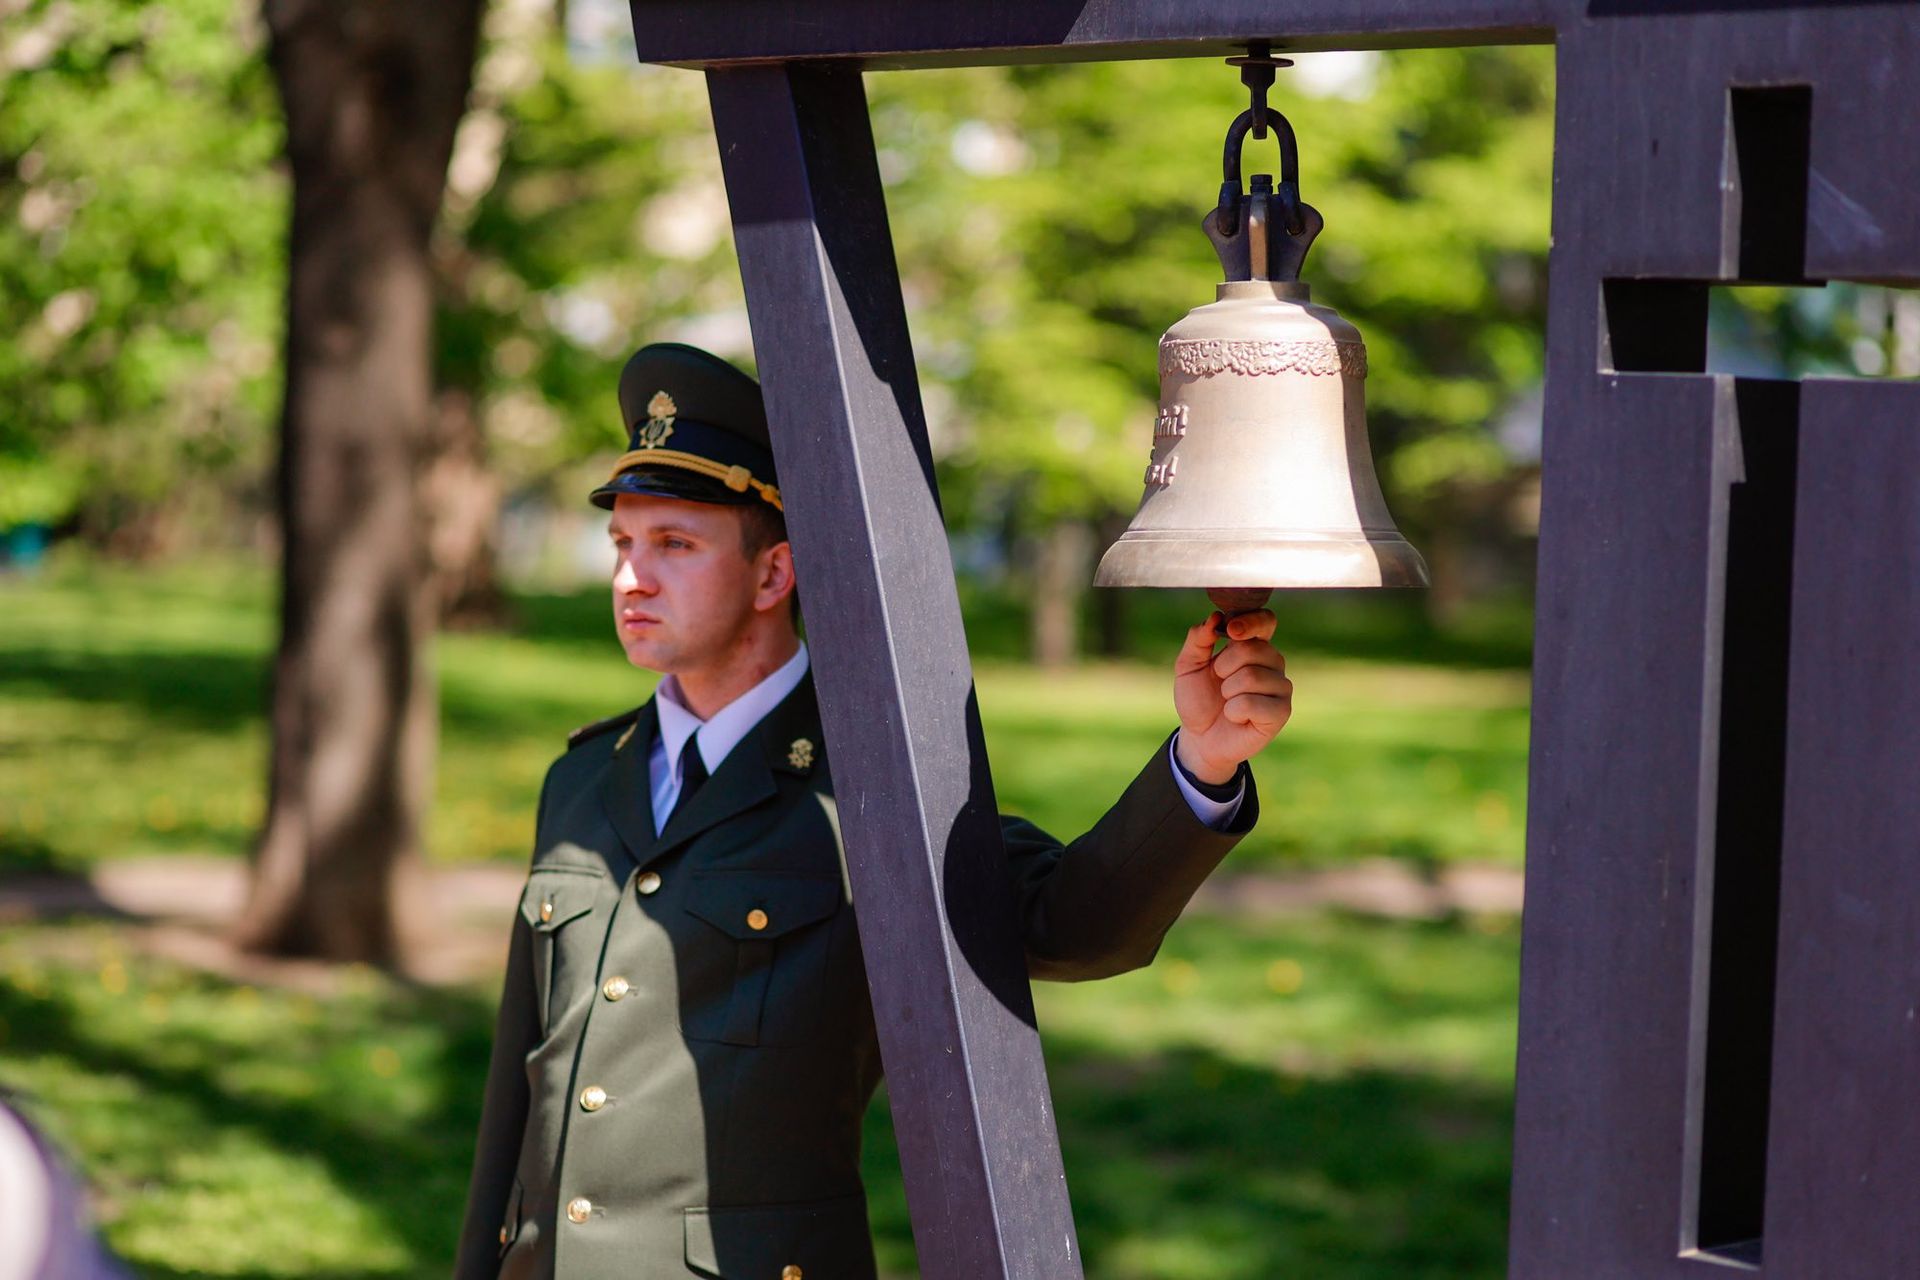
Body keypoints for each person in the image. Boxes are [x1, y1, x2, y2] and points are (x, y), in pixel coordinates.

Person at [454, 344, 1293, 1279]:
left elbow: (1074, 925)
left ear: (775, 576)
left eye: (675, 546)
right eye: (624, 544)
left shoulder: (873, 784)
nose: (630, 581)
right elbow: (513, 1105)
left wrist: (1203, 762)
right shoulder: (578, 780)